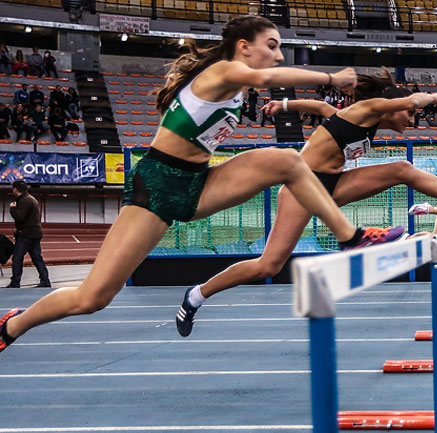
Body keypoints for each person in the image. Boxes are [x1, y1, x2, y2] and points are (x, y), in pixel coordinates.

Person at [0, 16, 402, 354]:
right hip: (156, 186)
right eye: (273, 45)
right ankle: (14, 325)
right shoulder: (224, 71)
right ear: (243, 46)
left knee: (286, 160)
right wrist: (331, 75)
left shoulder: (233, 83)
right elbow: (266, 74)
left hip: (198, 182)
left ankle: (349, 236)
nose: (278, 54)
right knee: (93, 298)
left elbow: (264, 80)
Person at [173, 69, 437, 337]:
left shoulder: (354, 119)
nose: (412, 120)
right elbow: (411, 99)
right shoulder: (365, 110)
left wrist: (283, 105)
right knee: (268, 266)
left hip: (332, 187)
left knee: (402, 169)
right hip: (302, 189)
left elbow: (321, 110)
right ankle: (196, 295)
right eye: (409, 114)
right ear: (389, 104)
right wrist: (431, 98)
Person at [5, 180, 50, 289]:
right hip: (34, 233)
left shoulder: (25, 200)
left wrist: (12, 209)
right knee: (36, 257)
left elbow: (20, 217)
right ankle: (45, 280)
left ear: (15, 189)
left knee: (17, 258)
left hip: (27, 234)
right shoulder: (30, 198)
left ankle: (15, 282)